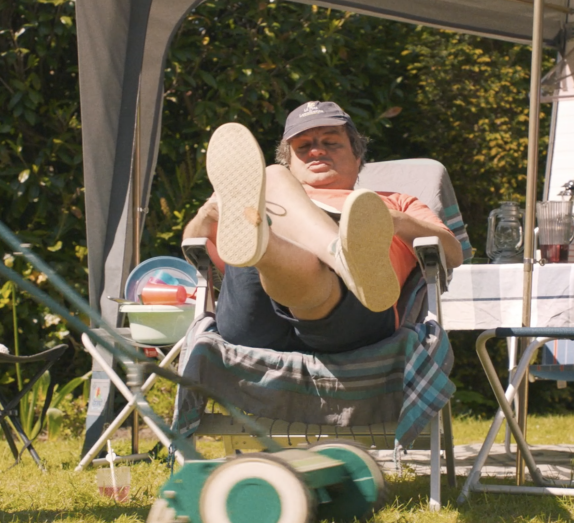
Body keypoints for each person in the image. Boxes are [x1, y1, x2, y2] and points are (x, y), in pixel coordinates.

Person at [182, 101, 463, 354]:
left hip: (356, 319)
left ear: (357, 157)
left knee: (306, 270)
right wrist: (205, 217)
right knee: (271, 180)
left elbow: (452, 254)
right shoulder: (258, 197)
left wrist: (390, 220)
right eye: (303, 148)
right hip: (253, 319)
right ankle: (333, 254)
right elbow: (195, 250)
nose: (316, 150)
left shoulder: (394, 202)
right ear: (290, 162)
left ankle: (326, 257)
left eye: (331, 143)